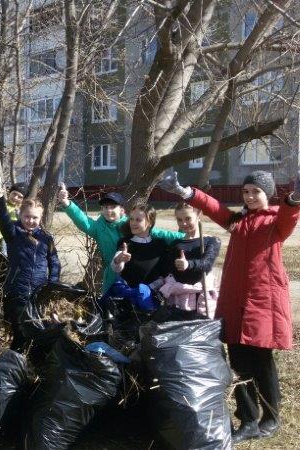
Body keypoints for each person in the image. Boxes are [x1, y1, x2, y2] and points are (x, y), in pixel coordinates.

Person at [160, 169, 300, 442]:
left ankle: (271, 417)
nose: (249, 196)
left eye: (255, 192)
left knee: (261, 360)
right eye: (246, 191)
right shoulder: (238, 221)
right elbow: (214, 208)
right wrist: (184, 192)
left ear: (267, 194)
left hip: (263, 301)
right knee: (236, 360)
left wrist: (294, 198)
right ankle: (247, 420)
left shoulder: (276, 221)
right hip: (235, 299)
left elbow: (290, 214)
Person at [57, 184, 184, 293]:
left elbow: (161, 234)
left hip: (134, 275)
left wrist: (186, 237)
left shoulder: (132, 225)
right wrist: (66, 203)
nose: (108, 210)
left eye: (112, 207)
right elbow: (83, 221)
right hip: (112, 275)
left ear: (122, 210)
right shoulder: (98, 228)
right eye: (105, 207)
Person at [0, 184, 60, 351]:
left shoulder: (46, 238)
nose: (31, 221)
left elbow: (54, 263)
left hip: (39, 295)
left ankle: (30, 367)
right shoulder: (13, 233)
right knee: (21, 334)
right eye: (27, 216)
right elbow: (3, 217)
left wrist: (52, 287)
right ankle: (15, 365)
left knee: (39, 334)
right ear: (20, 215)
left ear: (41, 218)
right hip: (17, 293)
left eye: (35, 218)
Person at [157, 202, 221, 317]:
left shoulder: (211, 241)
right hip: (178, 299)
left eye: (188, 218)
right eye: (179, 220)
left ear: (199, 215)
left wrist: (188, 265)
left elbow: (207, 263)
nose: (184, 223)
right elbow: (167, 269)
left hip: (201, 299)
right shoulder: (175, 244)